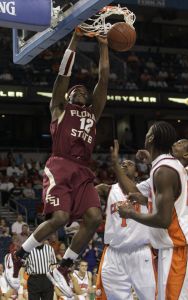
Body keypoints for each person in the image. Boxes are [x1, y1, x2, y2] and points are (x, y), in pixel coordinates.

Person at [5, 29, 109, 298]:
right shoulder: (59, 109)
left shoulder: (93, 114)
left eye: (85, 90)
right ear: (67, 97)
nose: (81, 90)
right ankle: (19, 256)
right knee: (60, 218)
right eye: (76, 89)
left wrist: (104, 45)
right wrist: (74, 38)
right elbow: (64, 73)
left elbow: (104, 79)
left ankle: (64, 266)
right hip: (60, 165)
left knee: (95, 217)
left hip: (84, 170)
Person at [114, 121, 188, 300]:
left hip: (176, 248)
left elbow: (163, 220)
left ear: (151, 138)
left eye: (147, 133)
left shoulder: (164, 171)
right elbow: (136, 192)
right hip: (169, 248)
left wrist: (131, 213)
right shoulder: (163, 166)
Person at [95, 160, 156, 300]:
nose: (124, 164)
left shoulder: (146, 189)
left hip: (140, 251)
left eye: (130, 163)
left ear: (136, 172)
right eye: (122, 163)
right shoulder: (107, 189)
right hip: (114, 252)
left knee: (151, 296)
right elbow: (85, 195)